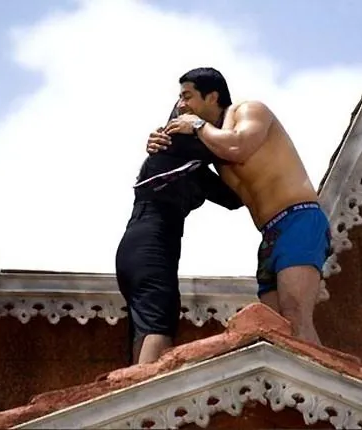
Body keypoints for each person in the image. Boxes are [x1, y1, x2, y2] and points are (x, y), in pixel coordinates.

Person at [148, 67, 330, 345]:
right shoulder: (211, 140)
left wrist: (197, 126)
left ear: (212, 97)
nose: (181, 104)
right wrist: (158, 142)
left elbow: (238, 147)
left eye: (187, 96)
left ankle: (319, 376)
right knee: (278, 329)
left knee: (296, 317)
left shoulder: (250, 110)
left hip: (298, 219)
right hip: (269, 234)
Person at [116, 103, 243, 365]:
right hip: (151, 243)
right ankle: (149, 389)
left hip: (145, 245)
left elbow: (233, 199)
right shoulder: (175, 145)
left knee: (149, 325)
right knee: (158, 325)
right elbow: (232, 146)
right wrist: (204, 127)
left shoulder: (191, 163)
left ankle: (138, 381)